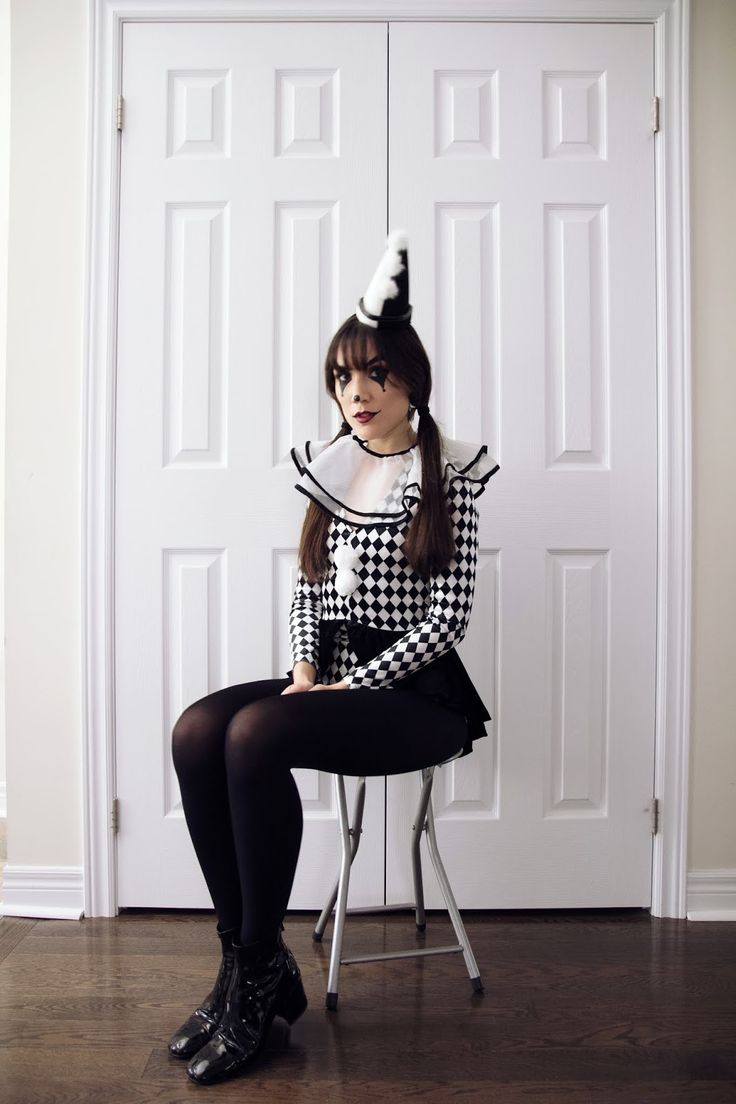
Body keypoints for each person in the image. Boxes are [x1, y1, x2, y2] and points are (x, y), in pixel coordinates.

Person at [168, 230, 500, 1085]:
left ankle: (256, 973)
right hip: (338, 675)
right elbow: (309, 584)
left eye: (374, 374)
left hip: (416, 696)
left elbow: (449, 620)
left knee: (255, 737)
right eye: (343, 377)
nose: (357, 392)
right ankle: (253, 964)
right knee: (201, 729)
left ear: (411, 378)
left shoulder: (448, 476)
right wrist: (307, 668)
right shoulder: (334, 467)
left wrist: (357, 681)